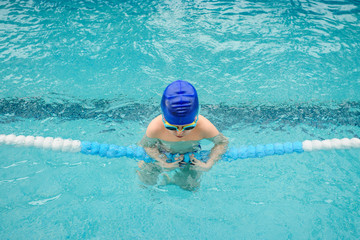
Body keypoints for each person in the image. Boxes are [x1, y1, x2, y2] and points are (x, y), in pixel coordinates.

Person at [137, 80, 228, 191]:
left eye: (188, 127)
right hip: (162, 152)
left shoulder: (204, 126)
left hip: (189, 158)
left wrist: (209, 163)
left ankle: (170, 180)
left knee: (191, 187)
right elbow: (147, 145)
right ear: (164, 119)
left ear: (196, 119)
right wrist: (160, 161)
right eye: (172, 128)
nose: (179, 133)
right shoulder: (156, 127)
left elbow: (222, 142)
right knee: (145, 181)